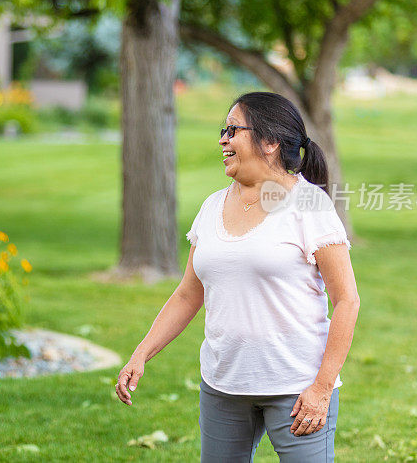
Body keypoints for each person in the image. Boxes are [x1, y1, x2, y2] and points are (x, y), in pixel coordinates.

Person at [116, 92, 360, 462]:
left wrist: (322, 387)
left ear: (270, 142)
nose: (222, 140)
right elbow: (187, 294)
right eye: (223, 130)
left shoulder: (310, 206)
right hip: (223, 386)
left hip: (296, 388)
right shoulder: (212, 206)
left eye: (233, 131)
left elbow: (347, 300)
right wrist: (141, 354)